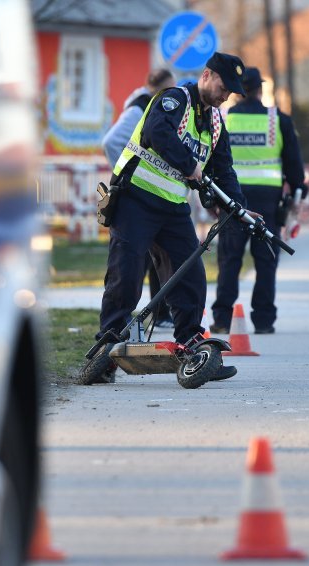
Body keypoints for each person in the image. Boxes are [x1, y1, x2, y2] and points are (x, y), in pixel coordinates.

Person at [97, 52, 252, 382]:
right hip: (135, 198)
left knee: (190, 274)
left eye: (231, 93)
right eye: (225, 87)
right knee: (126, 273)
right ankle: (107, 346)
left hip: (171, 206)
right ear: (207, 75)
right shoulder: (173, 99)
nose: (226, 96)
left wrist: (239, 207)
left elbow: (223, 169)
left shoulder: (214, 123)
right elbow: (157, 133)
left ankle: (191, 344)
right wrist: (190, 166)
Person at [210, 67, 306, 335]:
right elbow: (294, 165)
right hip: (267, 201)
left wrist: (212, 200)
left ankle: (222, 319)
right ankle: (263, 321)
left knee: (230, 260)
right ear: (260, 89)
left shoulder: (224, 119)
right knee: (266, 261)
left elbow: (210, 159)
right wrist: (298, 192)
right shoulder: (279, 121)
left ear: (238, 91)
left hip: (231, 199)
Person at [102, 69, 177, 329]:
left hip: (156, 194)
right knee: (134, 264)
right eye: (168, 88)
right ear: (154, 87)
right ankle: (132, 321)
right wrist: (125, 173)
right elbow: (111, 142)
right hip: (138, 195)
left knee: (157, 258)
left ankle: (161, 314)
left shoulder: (153, 105)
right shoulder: (138, 109)